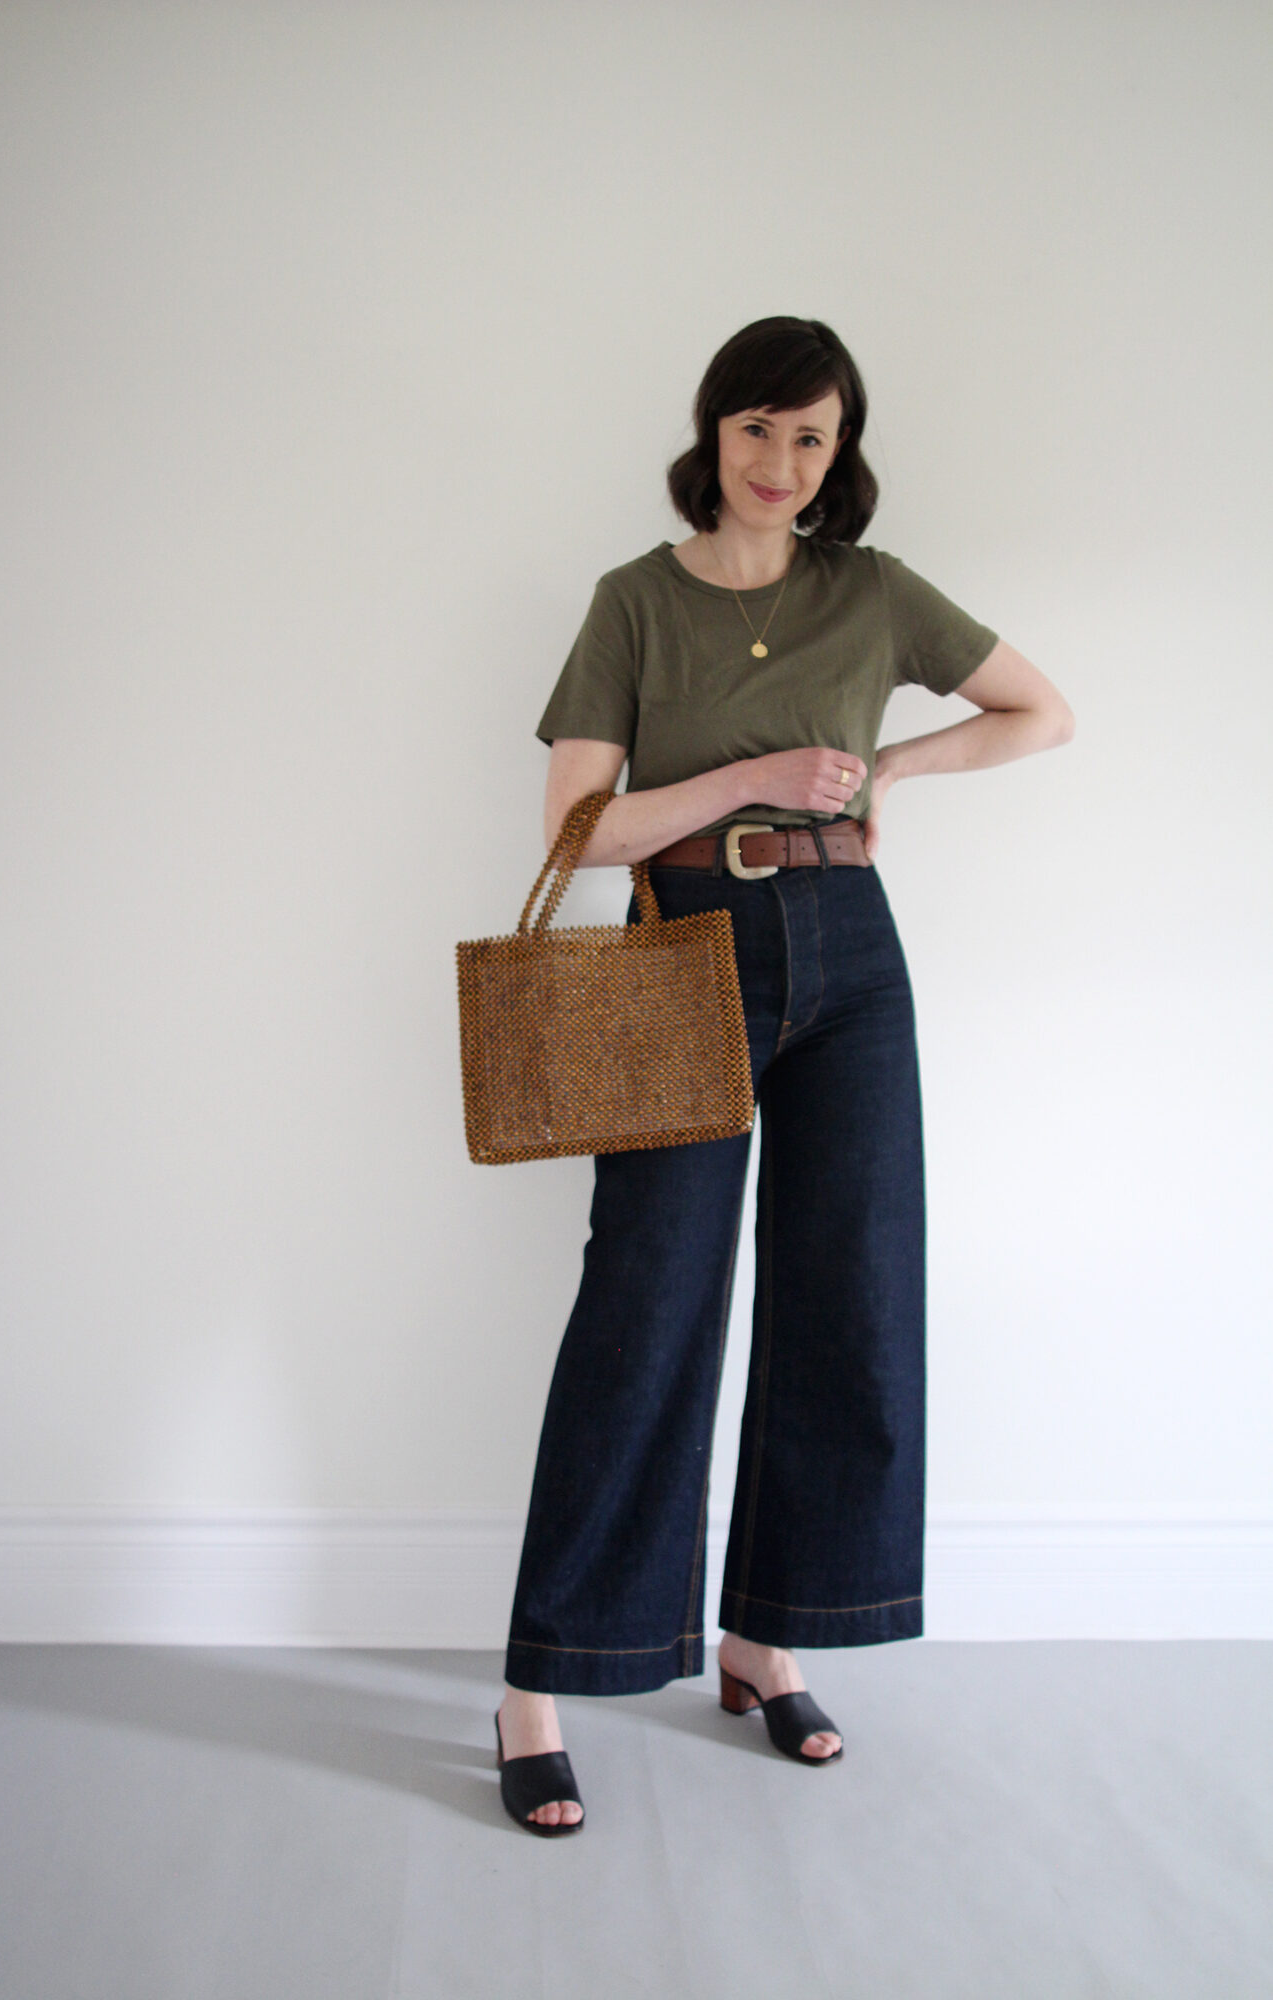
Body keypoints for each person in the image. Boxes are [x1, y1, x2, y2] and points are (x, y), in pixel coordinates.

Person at [493, 314, 1075, 1835]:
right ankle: (540, 1683)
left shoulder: (871, 594)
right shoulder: (634, 601)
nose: (778, 461)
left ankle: (764, 1642)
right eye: (756, 428)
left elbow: (1040, 710)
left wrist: (892, 771)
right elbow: (574, 832)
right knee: (647, 1301)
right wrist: (750, 775)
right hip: (680, 946)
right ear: (713, 434)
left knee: (851, 1300)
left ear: (840, 452)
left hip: (852, 954)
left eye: (809, 435)